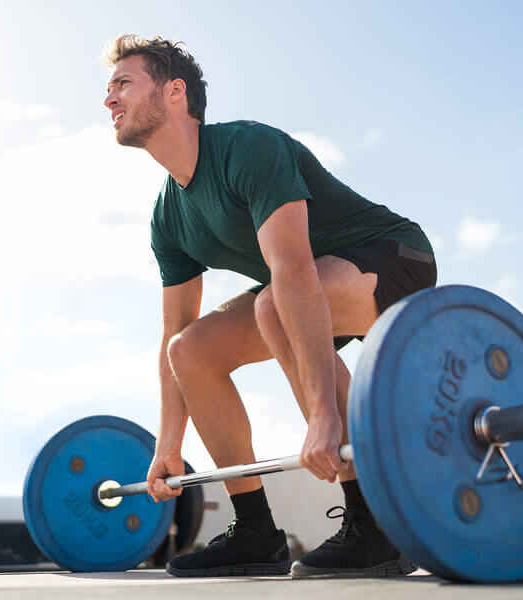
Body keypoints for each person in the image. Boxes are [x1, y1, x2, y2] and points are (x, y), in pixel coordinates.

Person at [102, 34, 436, 578]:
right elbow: (174, 332)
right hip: (301, 291)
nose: (109, 99)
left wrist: (324, 414)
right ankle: (256, 532)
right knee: (192, 351)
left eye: (123, 83)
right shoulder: (168, 216)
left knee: (274, 305)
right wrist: (169, 444)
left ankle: (376, 526)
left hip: (397, 261)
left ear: (174, 92)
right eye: (108, 89)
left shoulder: (248, 148)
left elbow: (294, 269)